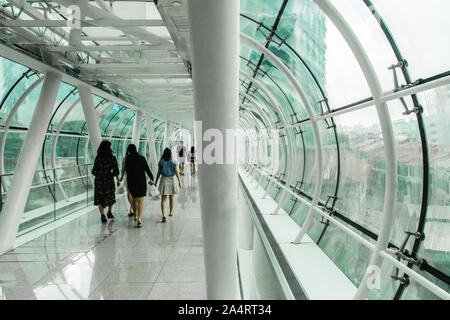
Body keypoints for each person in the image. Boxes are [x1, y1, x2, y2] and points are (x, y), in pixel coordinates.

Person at [119, 144, 154, 228]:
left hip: (131, 182)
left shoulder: (127, 159)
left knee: (134, 199)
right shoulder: (142, 158)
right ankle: (139, 219)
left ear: (129, 151)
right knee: (141, 200)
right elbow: (147, 169)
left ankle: (135, 215)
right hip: (141, 181)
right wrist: (152, 177)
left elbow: (125, 170)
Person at [92, 140, 120, 223]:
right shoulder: (112, 158)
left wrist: (100, 174)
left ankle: (102, 215)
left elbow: (94, 171)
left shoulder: (98, 158)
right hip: (109, 180)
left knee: (100, 198)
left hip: (99, 181)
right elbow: (116, 171)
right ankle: (110, 212)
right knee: (110, 196)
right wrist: (112, 176)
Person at [154, 148, 182, 223]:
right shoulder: (173, 162)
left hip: (164, 179)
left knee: (163, 199)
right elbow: (177, 172)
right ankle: (170, 212)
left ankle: (163, 215)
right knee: (171, 198)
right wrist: (179, 181)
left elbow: (158, 173)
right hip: (172, 180)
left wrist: (156, 182)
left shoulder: (161, 162)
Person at [119, 145, 136, 218]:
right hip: (131, 177)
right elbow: (123, 169)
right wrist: (122, 176)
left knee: (130, 193)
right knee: (130, 193)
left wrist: (122, 177)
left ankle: (132, 208)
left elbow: (123, 169)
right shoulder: (127, 158)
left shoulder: (125, 158)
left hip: (128, 177)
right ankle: (132, 207)